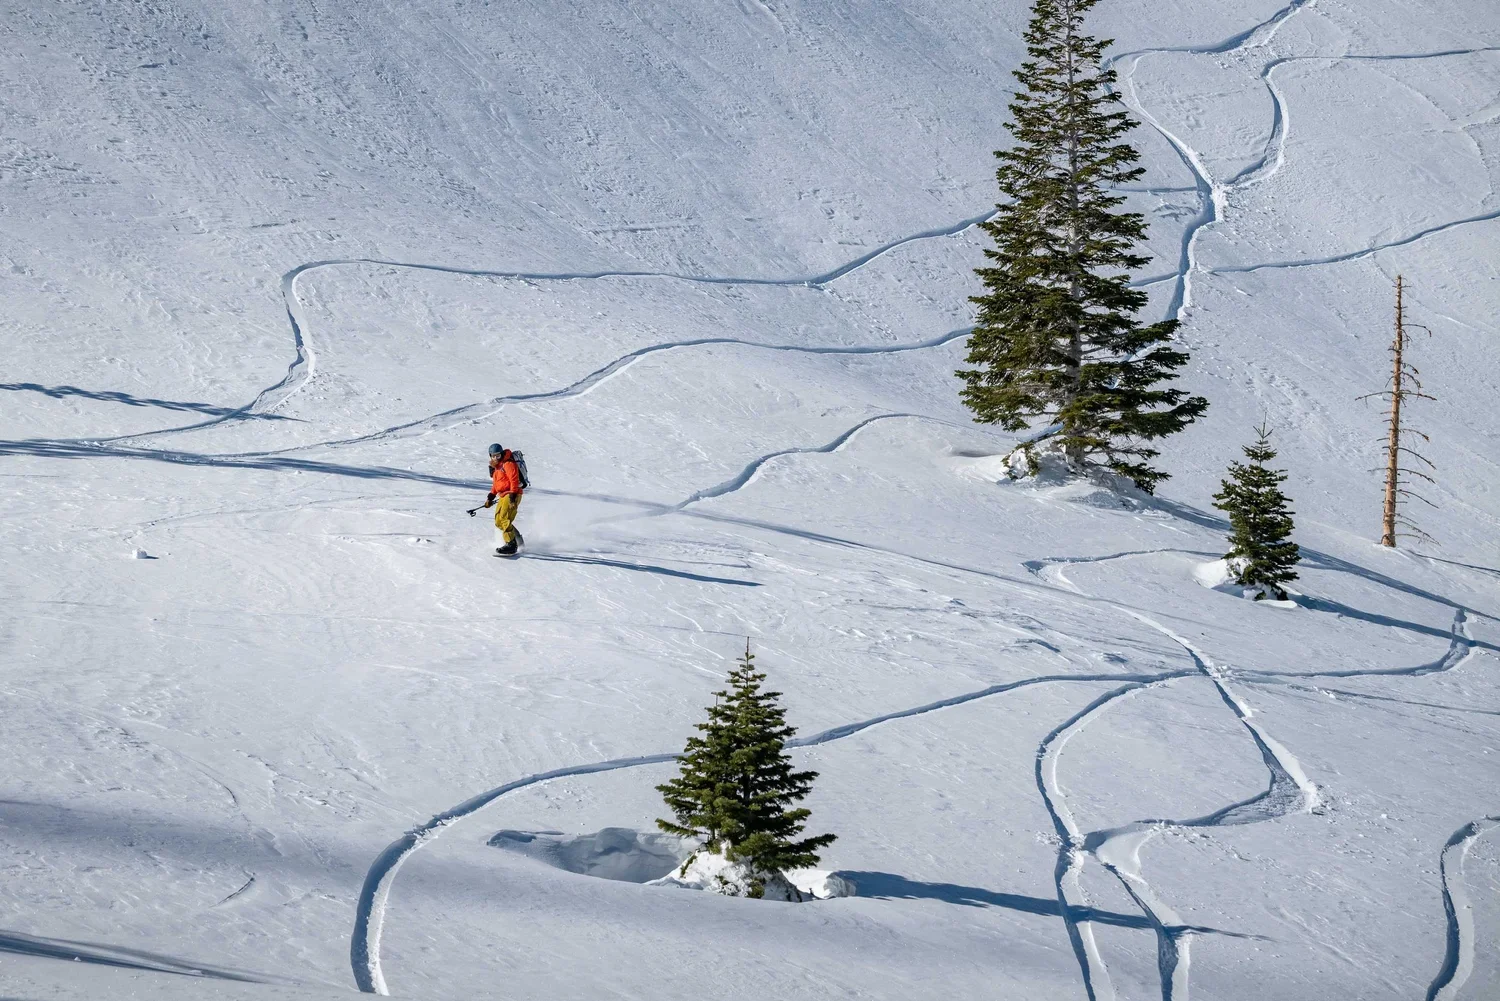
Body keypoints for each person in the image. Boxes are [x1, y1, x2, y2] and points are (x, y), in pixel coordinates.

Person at [484, 443, 526, 555]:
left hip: (512, 494)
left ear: (502, 454)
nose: (496, 458)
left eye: (498, 455)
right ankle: (518, 541)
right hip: (503, 495)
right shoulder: (497, 467)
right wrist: (490, 497)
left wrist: (512, 497)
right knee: (499, 522)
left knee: (504, 518)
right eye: (493, 456)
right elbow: (496, 485)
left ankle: (511, 545)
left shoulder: (508, 463)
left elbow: (514, 480)